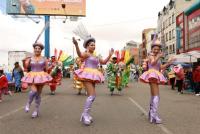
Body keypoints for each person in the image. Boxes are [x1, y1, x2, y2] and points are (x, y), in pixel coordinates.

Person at [72, 36, 114, 125]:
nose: (93, 46)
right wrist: (76, 45)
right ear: (87, 46)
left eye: (94, 45)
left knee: (92, 96)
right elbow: (80, 55)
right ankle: (85, 115)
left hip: (94, 75)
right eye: (91, 45)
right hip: (87, 74)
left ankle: (86, 114)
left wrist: (110, 55)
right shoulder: (87, 54)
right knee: (92, 95)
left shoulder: (96, 56)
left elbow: (103, 62)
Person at [139, 38, 174, 124]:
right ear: (152, 49)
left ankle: (151, 115)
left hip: (155, 74)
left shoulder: (156, 57)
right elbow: (153, 63)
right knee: (156, 96)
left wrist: (169, 63)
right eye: (155, 49)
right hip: (152, 75)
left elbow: (160, 67)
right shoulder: (151, 56)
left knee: (153, 95)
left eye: (158, 50)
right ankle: (154, 115)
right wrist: (158, 56)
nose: (156, 51)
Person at [21, 42, 52, 118]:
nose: (37, 50)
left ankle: (36, 110)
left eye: (39, 49)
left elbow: (47, 69)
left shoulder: (44, 58)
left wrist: (52, 66)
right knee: (34, 91)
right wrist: (23, 61)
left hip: (41, 76)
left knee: (38, 95)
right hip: (32, 76)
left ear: (41, 50)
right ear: (34, 49)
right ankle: (28, 103)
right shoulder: (30, 58)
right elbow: (26, 67)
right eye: (36, 48)